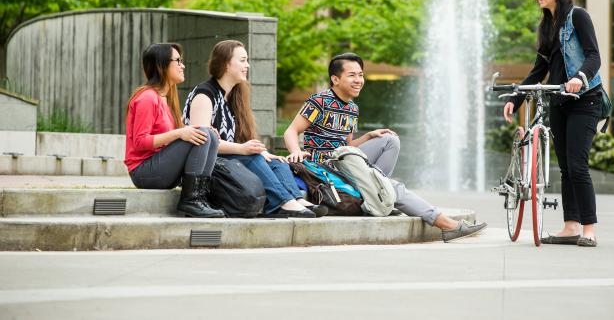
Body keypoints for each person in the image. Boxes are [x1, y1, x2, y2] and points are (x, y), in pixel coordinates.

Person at [284, 52, 486, 242]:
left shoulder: (353, 108)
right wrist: (295, 151)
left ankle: (377, 186)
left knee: (390, 140)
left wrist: (369, 136)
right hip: (325, 166)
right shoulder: (319, 101)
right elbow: (291, 131)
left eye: (361, 75)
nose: (358, 80)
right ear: (335, 79)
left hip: (346, 160)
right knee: (392, 187)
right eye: (352, 75)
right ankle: (446, 224)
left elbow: (348, 145)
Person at [503, 0, 602, 247]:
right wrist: (516, 97)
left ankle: (589, 229)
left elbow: (594, 56)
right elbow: (539, 69)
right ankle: (570, 226)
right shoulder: (546, 24)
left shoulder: (578, 17)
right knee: (565, 169)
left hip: (585, 99)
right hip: (559, 100)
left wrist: (579, 78)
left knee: (578, 164)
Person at [183, 40, 324, 218]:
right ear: (226, 63)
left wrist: (260, 152)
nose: (247, 65)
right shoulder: (205, 94)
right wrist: (243, 149)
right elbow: (202, 141)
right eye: (242, 60)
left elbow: (237, 143)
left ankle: (296, 199)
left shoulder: (233, 95)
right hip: (208, 165)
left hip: (230, 158)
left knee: (277, 162)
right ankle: (284, 203)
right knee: (255, 158)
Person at [125, 43, 224, 218]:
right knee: (202, 133)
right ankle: (190, 200)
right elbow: (140, 143)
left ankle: (199, 197)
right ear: (161, 65)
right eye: (177, 61)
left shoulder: (168, 98)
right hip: (144, 172)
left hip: (161, 167)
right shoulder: (147, 98)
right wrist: (180, 133)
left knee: (210, 135)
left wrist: (193, 130)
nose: (182, 65)